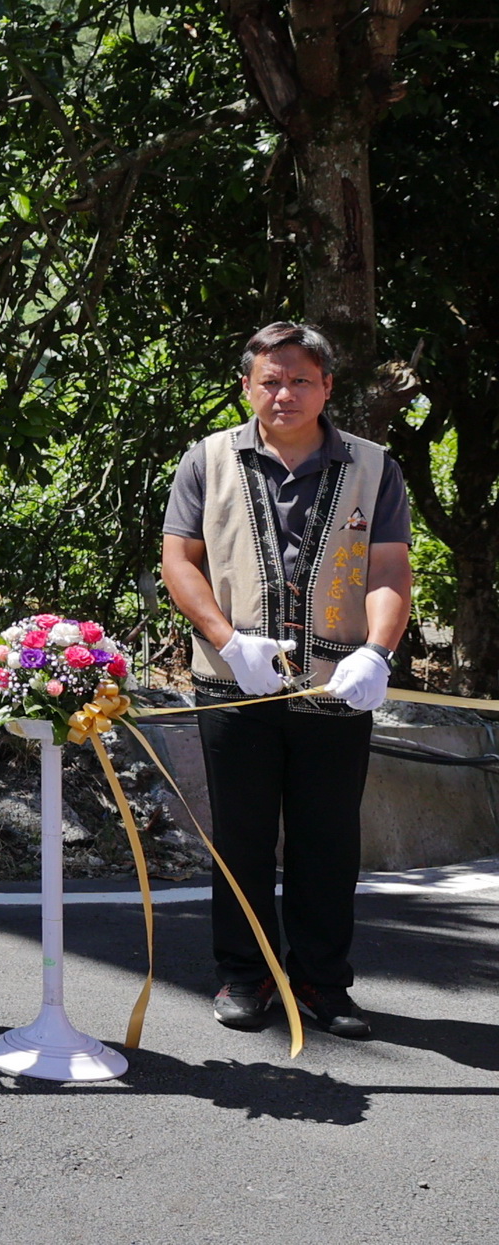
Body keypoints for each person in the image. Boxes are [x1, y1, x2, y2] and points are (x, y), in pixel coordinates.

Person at [161, 321, 412, 1040]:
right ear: (247, 385)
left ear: (327, 387)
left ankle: (322, 981)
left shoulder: (373, 465)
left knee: (327, 839)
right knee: (240, 836)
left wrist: (378, 652)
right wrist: (228, 639)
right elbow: (180, 559)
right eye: (270, 379)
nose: (284, 392)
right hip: (233, 683)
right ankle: (245, 973)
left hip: (337, 688)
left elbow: (389, 567)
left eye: (301, 379)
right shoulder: (207, 460)